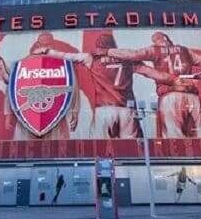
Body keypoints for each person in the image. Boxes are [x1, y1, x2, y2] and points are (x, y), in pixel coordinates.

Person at [35, 33, 185, 139]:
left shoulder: (91, 58)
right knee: (131, 152)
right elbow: (154, 74)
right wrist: (175, 80)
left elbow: (67, 56)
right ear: (113, 46)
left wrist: (47, 51)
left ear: (98, 47)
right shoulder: (128, 60)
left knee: (98, 153)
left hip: (103, 110)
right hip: (127, 110)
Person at [98, 31, 201, 138]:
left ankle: (180, 165)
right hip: (191, 95)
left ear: (156, 41)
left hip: (169, 95)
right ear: (168, 39)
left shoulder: (155, 50)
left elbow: (133, 54)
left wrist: (108, 51)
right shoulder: (185, 51)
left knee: (173, 133)